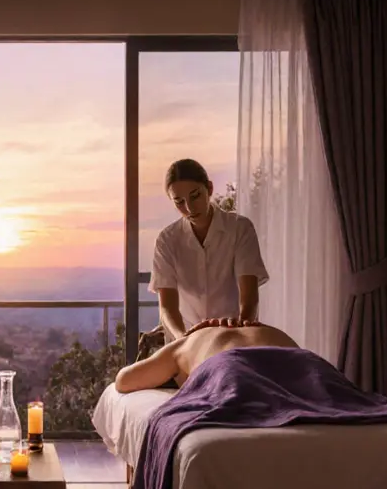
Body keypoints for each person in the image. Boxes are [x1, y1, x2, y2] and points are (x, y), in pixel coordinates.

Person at [150, 158, 269, 341]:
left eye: (195, 195)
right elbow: (167, 308)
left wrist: (240, 330)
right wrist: (184, 341)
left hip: (233, 337)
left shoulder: (239, 229)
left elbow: (249, 298)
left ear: (210, 189)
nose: (189, 208)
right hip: (185, 341)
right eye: (179, 202)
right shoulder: (167, 240)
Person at [115, 318, 297, 394]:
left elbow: (124, 380)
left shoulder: (188, 342)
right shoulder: (268, 330)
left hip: (231, 367)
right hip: (298, 363)